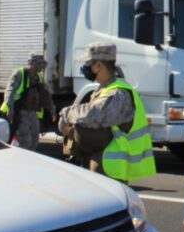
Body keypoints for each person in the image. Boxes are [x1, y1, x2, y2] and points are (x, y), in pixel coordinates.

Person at [58, 42, 155, 181]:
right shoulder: (105, 89)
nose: (85, 68)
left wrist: (66, 113)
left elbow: (93, 115)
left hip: (110, 167)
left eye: (88, 63)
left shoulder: (118, 93)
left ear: (99, 65)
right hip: (102, 162)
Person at [0, 52, 56, 150]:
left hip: (32, 112)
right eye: (39, 63)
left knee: (34, 138)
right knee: (25, 139)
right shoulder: (20, 73)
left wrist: (52, 109)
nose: (42, 66)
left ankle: (30, 159)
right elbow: (10, 90)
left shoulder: (39, 77)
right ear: (30, 62)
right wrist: (10, 108)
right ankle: (18, 158)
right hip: (19, 111)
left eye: (43, 63)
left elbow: (46, 94)